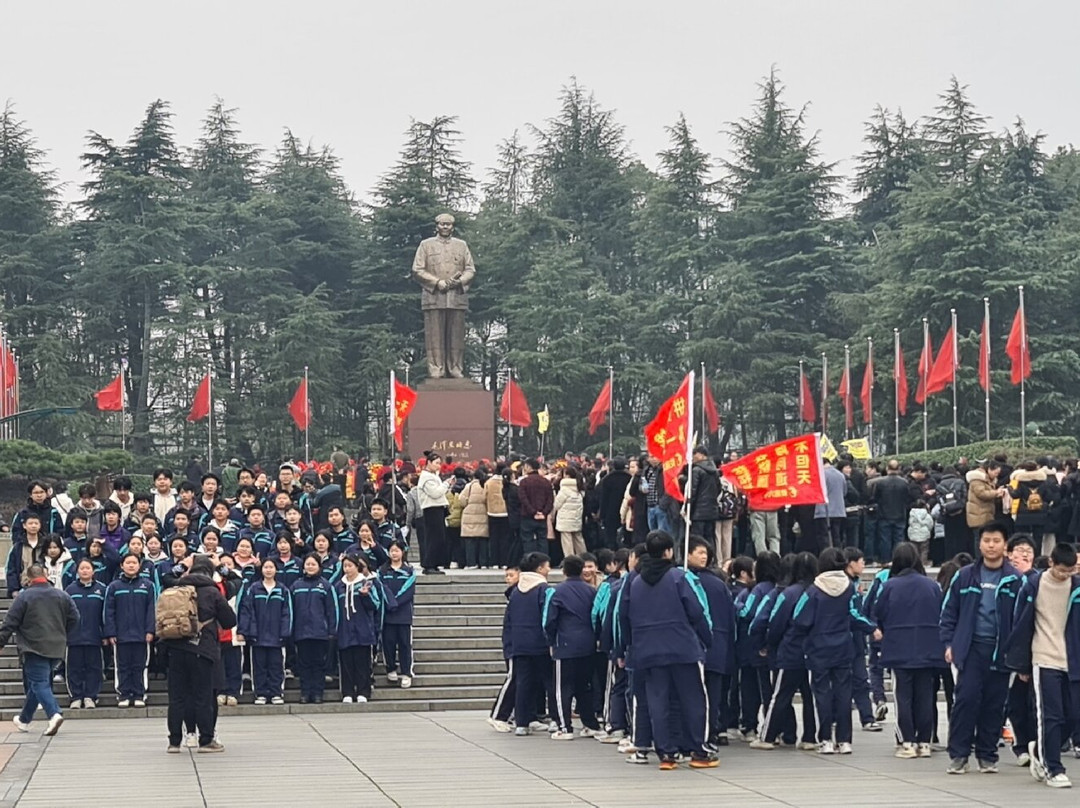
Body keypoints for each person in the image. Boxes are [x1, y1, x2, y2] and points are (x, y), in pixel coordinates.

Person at [620, 530, 717, 769]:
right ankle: (698, 751)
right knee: (694, 698)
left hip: (647, 650)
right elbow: (696, 611)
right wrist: (707, 639)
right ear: (668, 551)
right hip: (682, 647)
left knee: (657, 700)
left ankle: (666, 754)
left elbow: (624, 616)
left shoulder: (636, 582)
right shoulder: (678, 577)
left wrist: (627, 645)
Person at [940, 520, 1023, 774]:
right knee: (965, 700)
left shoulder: (1016, 580)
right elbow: (948, 611)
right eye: (986, 540)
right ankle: (959, 755)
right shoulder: (965, 576)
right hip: (971, 649)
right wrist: (948, 643)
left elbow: (1023, 619)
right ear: (980, 544)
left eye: (996, 541)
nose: (991, 545)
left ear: (1005, 545)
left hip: (1001, 651)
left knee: (994, 704)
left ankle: (987, 755)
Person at [1004, 541, 1079, 788]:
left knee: (1072, 715)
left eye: (1070, 572)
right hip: (1043, 657)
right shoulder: (1033, 586)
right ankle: (1053, 768)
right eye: (1061, 571)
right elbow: (1020, 624)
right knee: (1050, 715)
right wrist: (1021, 664)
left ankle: (1040, 750)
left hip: (1073, 660)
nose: (1065, 576)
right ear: (1051, 563)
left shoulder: (1077, 588)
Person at [791, 547, 879, 755]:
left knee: (821, 693)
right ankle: (844, 740)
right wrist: (872, 628)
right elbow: (855, 615)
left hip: (818, 648)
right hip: (843, 647)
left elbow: (799, 618)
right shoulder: (849, 588)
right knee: (843, 693)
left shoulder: (813, 590)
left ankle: (825, 739)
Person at [873, 542, 946, 759]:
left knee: (902, 697)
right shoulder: (932, 586)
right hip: (928, 648)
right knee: (924, 697)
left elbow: (879, 612)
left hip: (898, 648)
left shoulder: (889, 586)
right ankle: (925, 741)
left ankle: (907, 741)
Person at [163, 555, 236, 753]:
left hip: (176, 649)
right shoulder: (212, 591)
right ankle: (206, 740)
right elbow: (230, 620)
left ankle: (174, 741)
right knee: (203, 696)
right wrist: (220, 565)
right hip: (203, 650)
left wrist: (181, 565)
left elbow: (165, 577)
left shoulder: (175, 588)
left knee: (177, 696)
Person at [751, 551, 819, 751]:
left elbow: (775, 622)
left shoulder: (788, 593)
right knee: (811, 697)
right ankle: (810, 737)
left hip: (790, 651)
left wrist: (770, 645)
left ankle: (768, 736)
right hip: (814, 652)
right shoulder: (818, 591)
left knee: (780, 695)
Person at [0, 563, 78, 735]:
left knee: (40, 683)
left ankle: (54, 713)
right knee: (38, 682)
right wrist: (63, 634)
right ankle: (24, 719)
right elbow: (75, 617)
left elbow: (9, 622)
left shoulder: (24, 597)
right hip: (56, 646)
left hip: (32, 646)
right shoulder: (61, 595)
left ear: (28, 578)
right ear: (46, 574)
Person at [686, 536, 737, 750]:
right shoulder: (719, 585)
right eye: (699, 552)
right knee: (714, 691)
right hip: (719, 644)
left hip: (697, 645)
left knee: (694, 691)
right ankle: (714, 730)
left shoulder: (684, 582)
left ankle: (699, 733)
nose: (703, 556)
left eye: (705, 552)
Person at [411, 212, 476, 379]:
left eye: (448, 224)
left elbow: (470, 269)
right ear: (437, 226)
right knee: (434, 336)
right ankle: (436, 368)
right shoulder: (426, 245)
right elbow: (417, 269)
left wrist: (460, 281)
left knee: (456, 336)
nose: (445, 226)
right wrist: (436, 282)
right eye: (442, 224)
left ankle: (455, 368)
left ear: (453, 227)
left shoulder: (461, 245)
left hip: (456, 297)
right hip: (433, 297)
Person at [544, 554, 600, 740]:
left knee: (562, 687)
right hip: (588, 644)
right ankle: (590, 723)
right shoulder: (592, 591)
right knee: (585, 687)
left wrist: (551, 641)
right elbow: (596, 615)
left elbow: (549, 620)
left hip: (565, 644)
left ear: (564, 571)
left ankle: (564, 726)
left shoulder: (556, 592)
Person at [504, 552, 553, 737]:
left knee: (523, 682)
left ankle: (522, 723)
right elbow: (548, 617)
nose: (549, 569)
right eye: (547, 566)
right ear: (540, 568)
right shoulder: (544, 590)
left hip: (519, 643)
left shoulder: (515, 592)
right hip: (540, 643)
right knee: (549, 682)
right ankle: (556, 720)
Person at [237, 558, 292, 705]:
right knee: (259, 666)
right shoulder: (254, 589)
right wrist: (245, 630)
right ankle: (260, 693)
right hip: (257, 636)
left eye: (271, 567)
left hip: (277, 637)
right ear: (261, 570)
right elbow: (246, 611)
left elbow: (287, 613)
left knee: (276, 666)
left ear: (276, 570)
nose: (268, 570)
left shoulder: (283, 590)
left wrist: (285, 633)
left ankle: (276, 693)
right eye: (266, 567)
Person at [290, 554, 339, 704]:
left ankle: (318, 693)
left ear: (319, 566)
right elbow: (291, 610)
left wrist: (332, 630)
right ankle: (305, 693)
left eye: (313, 564)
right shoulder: (296, 586)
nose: (310, 567)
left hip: (320, 633)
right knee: (304, 665)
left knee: (318, 664)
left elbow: (332, 609)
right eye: (307, 564)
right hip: (301, 632)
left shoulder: (325, 585)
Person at [336, 555, 379, 703]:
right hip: (344, 629)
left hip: (363, 629)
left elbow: (375, 605)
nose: (347, 569)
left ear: (357, 567)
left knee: (362, 662)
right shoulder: (338, 586)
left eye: (350, 566)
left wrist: (365, 596)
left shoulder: (367, 583)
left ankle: (363, 691)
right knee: (346, 662)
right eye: (345, 566)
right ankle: (347, 692)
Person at [379, 541, 415, 688]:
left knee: (405, 644)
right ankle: (391, 668)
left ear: (402, 552)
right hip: (387, 614)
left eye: (397, 550)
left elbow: (408, 591)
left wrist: (395, 602)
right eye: (391, 550)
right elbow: (382, 588)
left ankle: (406, 672)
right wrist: (390, 603)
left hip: (404, 614)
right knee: (388, 643)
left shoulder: (409, 570)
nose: (394, 553)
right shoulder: (382, 571)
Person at [868, 460, 911, 563]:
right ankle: (899, 560)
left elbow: (875, 498)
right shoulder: (904, 483)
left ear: (887, 468)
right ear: (899, 469)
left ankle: (885, 560)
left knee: (884, 539)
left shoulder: (880, 483)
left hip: (884, 515)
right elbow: (907, 499)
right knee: (899, 539)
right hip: (900, 514)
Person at [417, 453, 451, 574]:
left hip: (438, 508)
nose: (438, 466)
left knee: (439, 538)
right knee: (434, 537)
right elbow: (435, 493)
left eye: (439, 463)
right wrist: (446, 484)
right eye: (436, 463)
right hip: (432, 509)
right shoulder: (426, 477)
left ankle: (435, 563)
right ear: (429, 463)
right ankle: (429, 564)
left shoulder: (433, 476)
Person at [518, 458, 554, 556]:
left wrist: (533, 511)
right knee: (542, 540)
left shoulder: (524, 482)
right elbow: (550, 499)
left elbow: (523, 499)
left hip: (527, 516)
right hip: (542, 517)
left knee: (528, 540)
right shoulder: (546, 482)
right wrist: (544, 512)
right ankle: (543, 561)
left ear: (529, 467)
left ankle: (530, 562)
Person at [6, 512, 45, 595]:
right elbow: (11, 569)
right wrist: (14, 589)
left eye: (36, 523)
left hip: (44, 587)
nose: (33, 526)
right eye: (30, 523)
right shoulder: (18, 546)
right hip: (24, 587)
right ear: (24, 525)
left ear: (40, 525)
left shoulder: (45, 544)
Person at [459, 468, 491, 569]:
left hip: (469, 516)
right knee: (483, 541)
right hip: (483, 515)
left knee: (470, 541)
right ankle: (483, 563)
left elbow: (461, 500)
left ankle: (471, 563)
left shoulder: (469, 486)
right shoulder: (486, 485)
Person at [553, 465, 586, 559]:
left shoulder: (564, 489)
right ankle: (584, 558)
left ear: (566, 475)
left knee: (567, 542)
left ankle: (570, 560)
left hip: (565, 519)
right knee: (578, 540)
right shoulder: (579, 488)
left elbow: (556, 504)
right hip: (576, 518)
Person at [906, 499, 935, 566]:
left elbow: (910, 523)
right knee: (924, 550)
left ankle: (914, 563)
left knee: (915, 550)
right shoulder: (927, 515)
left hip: (913, 535)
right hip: (924, 535)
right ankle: (923, 563)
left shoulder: (912, 514)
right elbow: (930, 524)